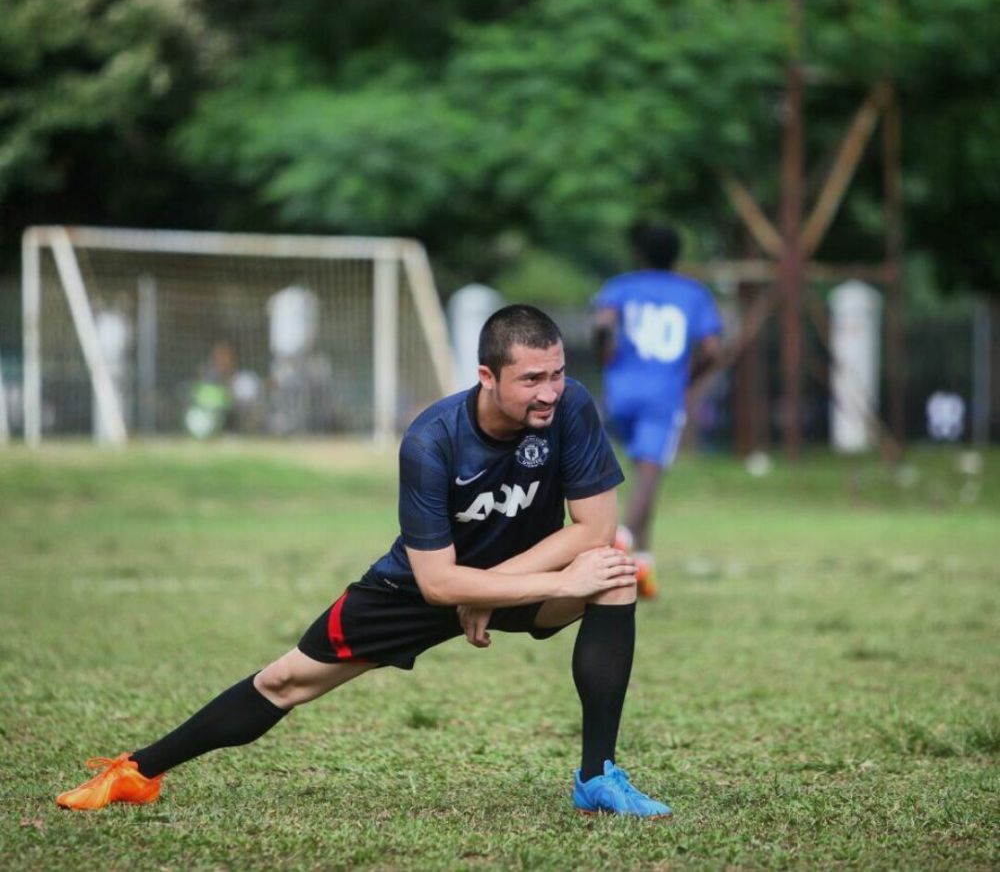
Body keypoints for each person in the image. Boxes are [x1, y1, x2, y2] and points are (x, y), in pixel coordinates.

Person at [57, 304, 673, 819]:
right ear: (487, 376)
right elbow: (436, 582)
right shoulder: (432, 440)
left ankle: (596, 777)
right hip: (418, 588)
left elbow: (595, 526)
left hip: (521, 577)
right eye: (532, 379)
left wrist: (491, 588)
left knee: (612, 573)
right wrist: (473, 589)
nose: (550, 392)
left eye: (557, 374)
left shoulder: (572, 407)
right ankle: (138, 770)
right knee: (284, 681)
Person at [593, 224, 723, 598]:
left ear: (640, 254)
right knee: (649, 475)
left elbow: (603, 325)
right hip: (662, 393)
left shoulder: (620, 286)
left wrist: (607, 356)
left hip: (620, 390)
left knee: (626, 469)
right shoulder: (692, 293)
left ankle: (643, 564)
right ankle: (624, 539)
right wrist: (687, 379)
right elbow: (713, 349)